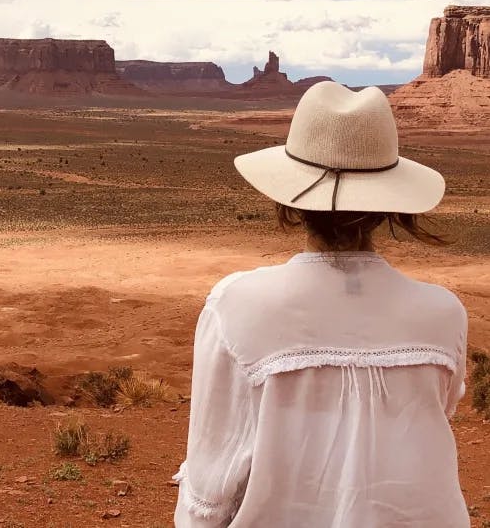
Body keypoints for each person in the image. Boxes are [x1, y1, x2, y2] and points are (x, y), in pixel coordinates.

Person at [174, 81, 469, 527]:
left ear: (289, 203)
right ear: (389, 206)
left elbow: (211, 481)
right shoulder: (444, 314)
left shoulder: (236, 306)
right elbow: (429, 418)